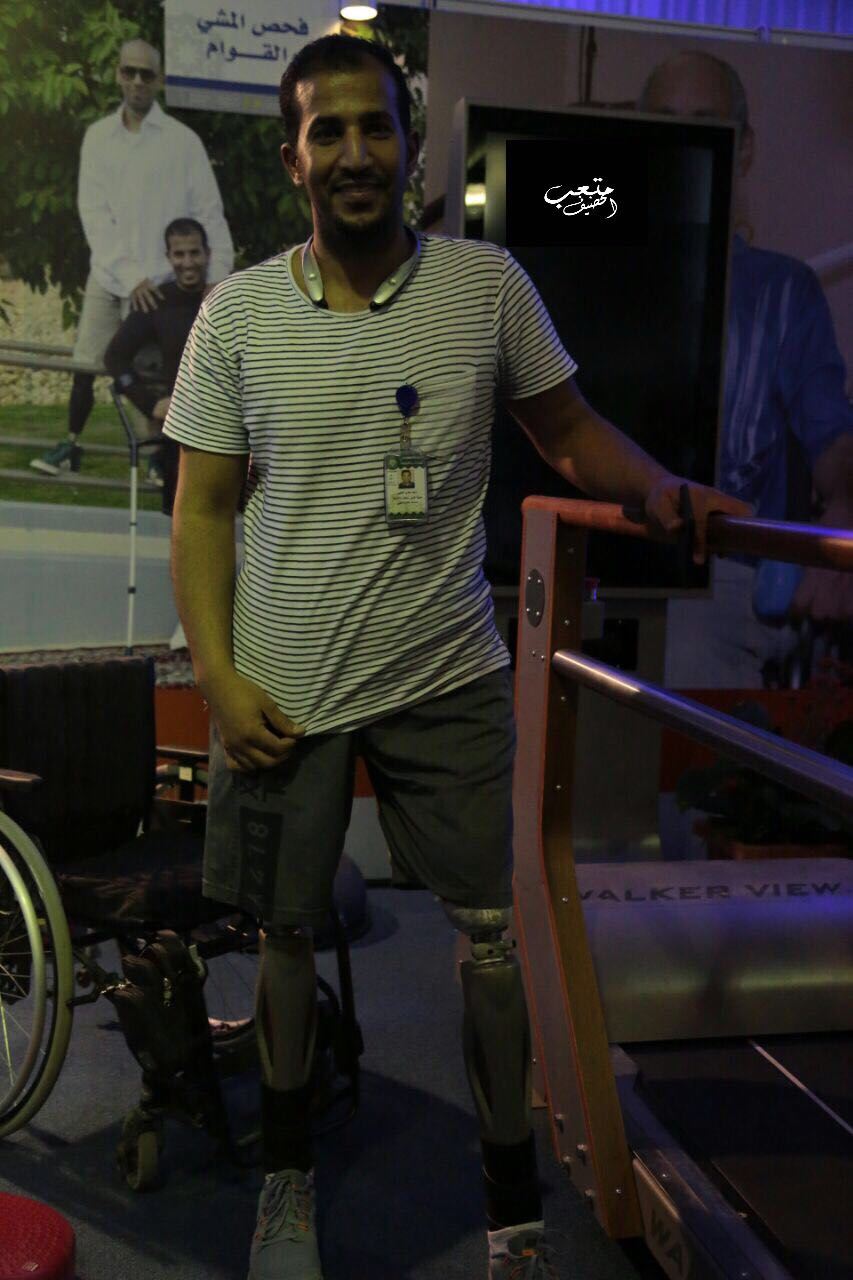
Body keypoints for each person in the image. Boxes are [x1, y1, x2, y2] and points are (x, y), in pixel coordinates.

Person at [163, 34, 749, 1280]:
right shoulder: (237, 316)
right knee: (282, 935)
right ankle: (285, 1189)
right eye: (328, 131)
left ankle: (511, 1216)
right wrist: (216, 675)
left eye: (375, 126)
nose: (355, 152)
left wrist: (656, 487)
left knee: (491, 938)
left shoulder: (488, 288)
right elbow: (202, 510)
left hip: (445, 670)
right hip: (283, 681)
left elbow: (568, 429)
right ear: (292, 159)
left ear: (410, 144)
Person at [638, 51, 853, 689]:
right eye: (666, 123)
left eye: (706, 124)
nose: (687, 145)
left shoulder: (783, 293)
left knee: (680, 643)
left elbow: (835, 444)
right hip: (606, 567)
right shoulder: (604, 282)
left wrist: (846, 504)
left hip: (721, 590)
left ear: (745, 148)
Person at [31, 38, 233, 480]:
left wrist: (217, 279)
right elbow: (93, 213)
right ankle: (71, 444)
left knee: (152, 371)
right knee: (87, 361)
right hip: (110, 273)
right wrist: (127, 275)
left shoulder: (183, 142)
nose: (137, 81)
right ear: (118, 75)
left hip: (160, 282)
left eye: (146, 73)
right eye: (130, 72)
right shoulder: (98, 138)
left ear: (159, 80)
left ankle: (158, 460)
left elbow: (209, 212)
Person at [103, 217, 212, 512]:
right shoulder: (158, 302)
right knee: (182, 520)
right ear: (168, 257)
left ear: (207, 254)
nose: (187, 263)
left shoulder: (225, 296)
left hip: (229, 428)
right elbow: (114, 357)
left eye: (194, 253)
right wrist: (150, 404)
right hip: (182, 432)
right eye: (179, 254)